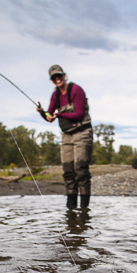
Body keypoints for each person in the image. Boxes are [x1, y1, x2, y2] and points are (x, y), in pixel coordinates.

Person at [37, 65, 93, 209]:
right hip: (67, 135)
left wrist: (59, 114)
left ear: (64, 76)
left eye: (59, 76)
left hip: (82, 132)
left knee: (81, 170)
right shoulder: (55, 95)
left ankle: (84, 209)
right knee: (68, 171)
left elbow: (79, 114)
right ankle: (71, 210)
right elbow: (50, 117)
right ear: (51, 80)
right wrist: (42, 113)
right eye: (54, 77)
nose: (57, 79)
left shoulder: (76, 90)